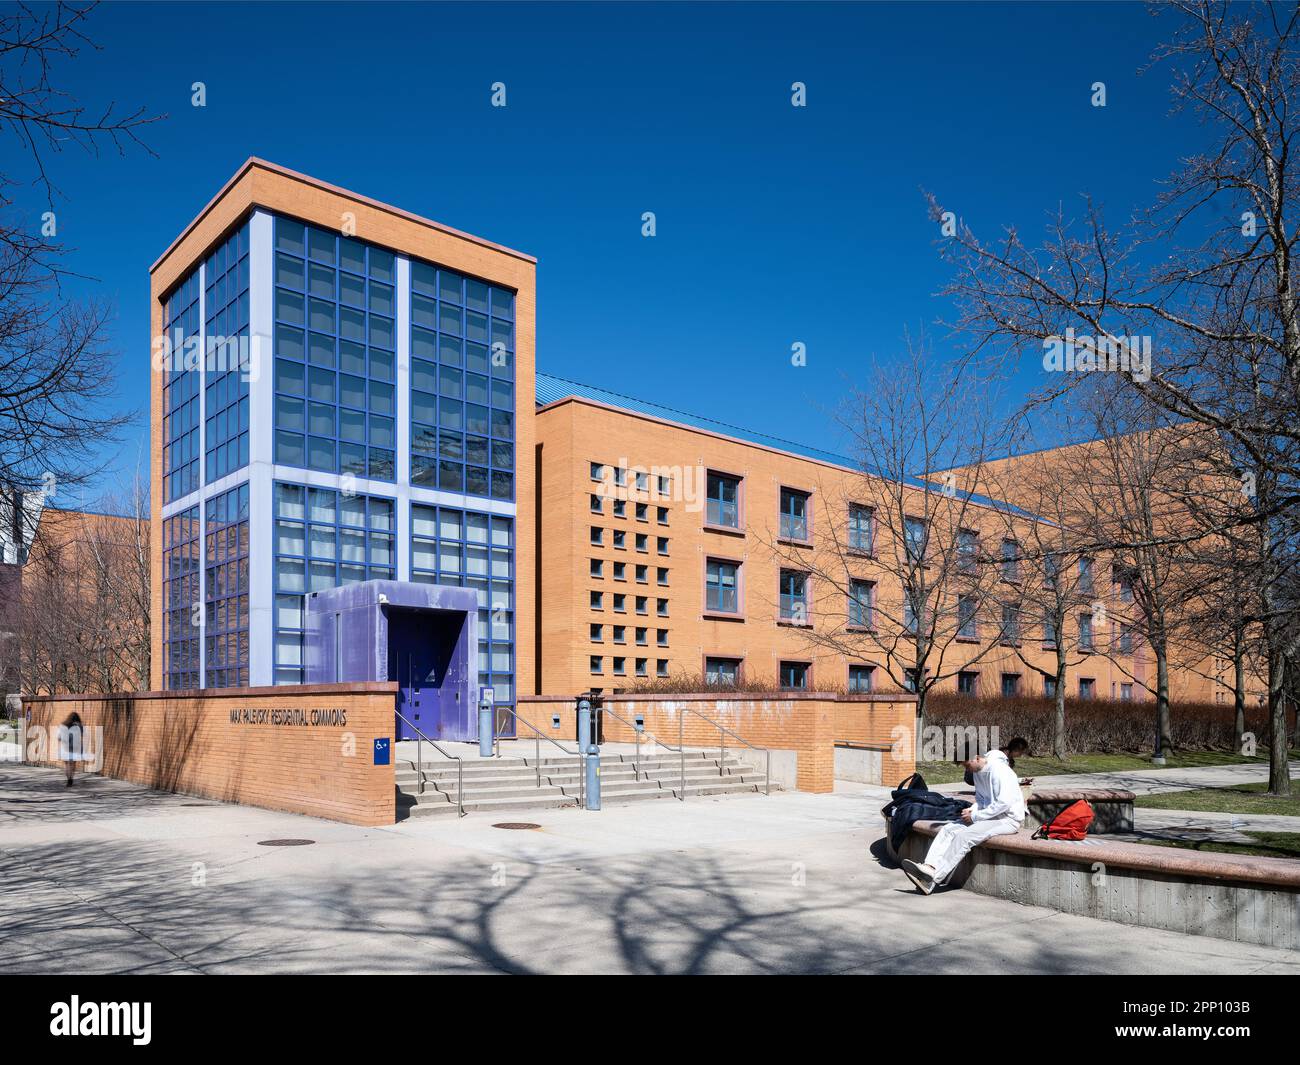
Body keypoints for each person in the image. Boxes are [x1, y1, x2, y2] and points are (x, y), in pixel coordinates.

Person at [901, 746, 1027, 894]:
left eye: (967, 765)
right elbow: (981, 799)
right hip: (988, 816)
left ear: (977, 758)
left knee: (965, 837)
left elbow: (1003, 803)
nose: (967, 770)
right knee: (948, 829)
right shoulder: (978, 773)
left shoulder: (1000, 771)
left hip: (1007, 819)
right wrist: (972, 810)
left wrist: (975, 816)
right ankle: (928, 868)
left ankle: (933, 879)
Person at [56, 711, 83, 787]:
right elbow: (82, 734)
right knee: (72, 764)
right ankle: (71, 778)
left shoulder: (63, 725)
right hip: (75, 748)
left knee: (67, 764)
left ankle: (68, 778)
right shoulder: (79, 726)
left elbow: (58, 737)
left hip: (65, 748)